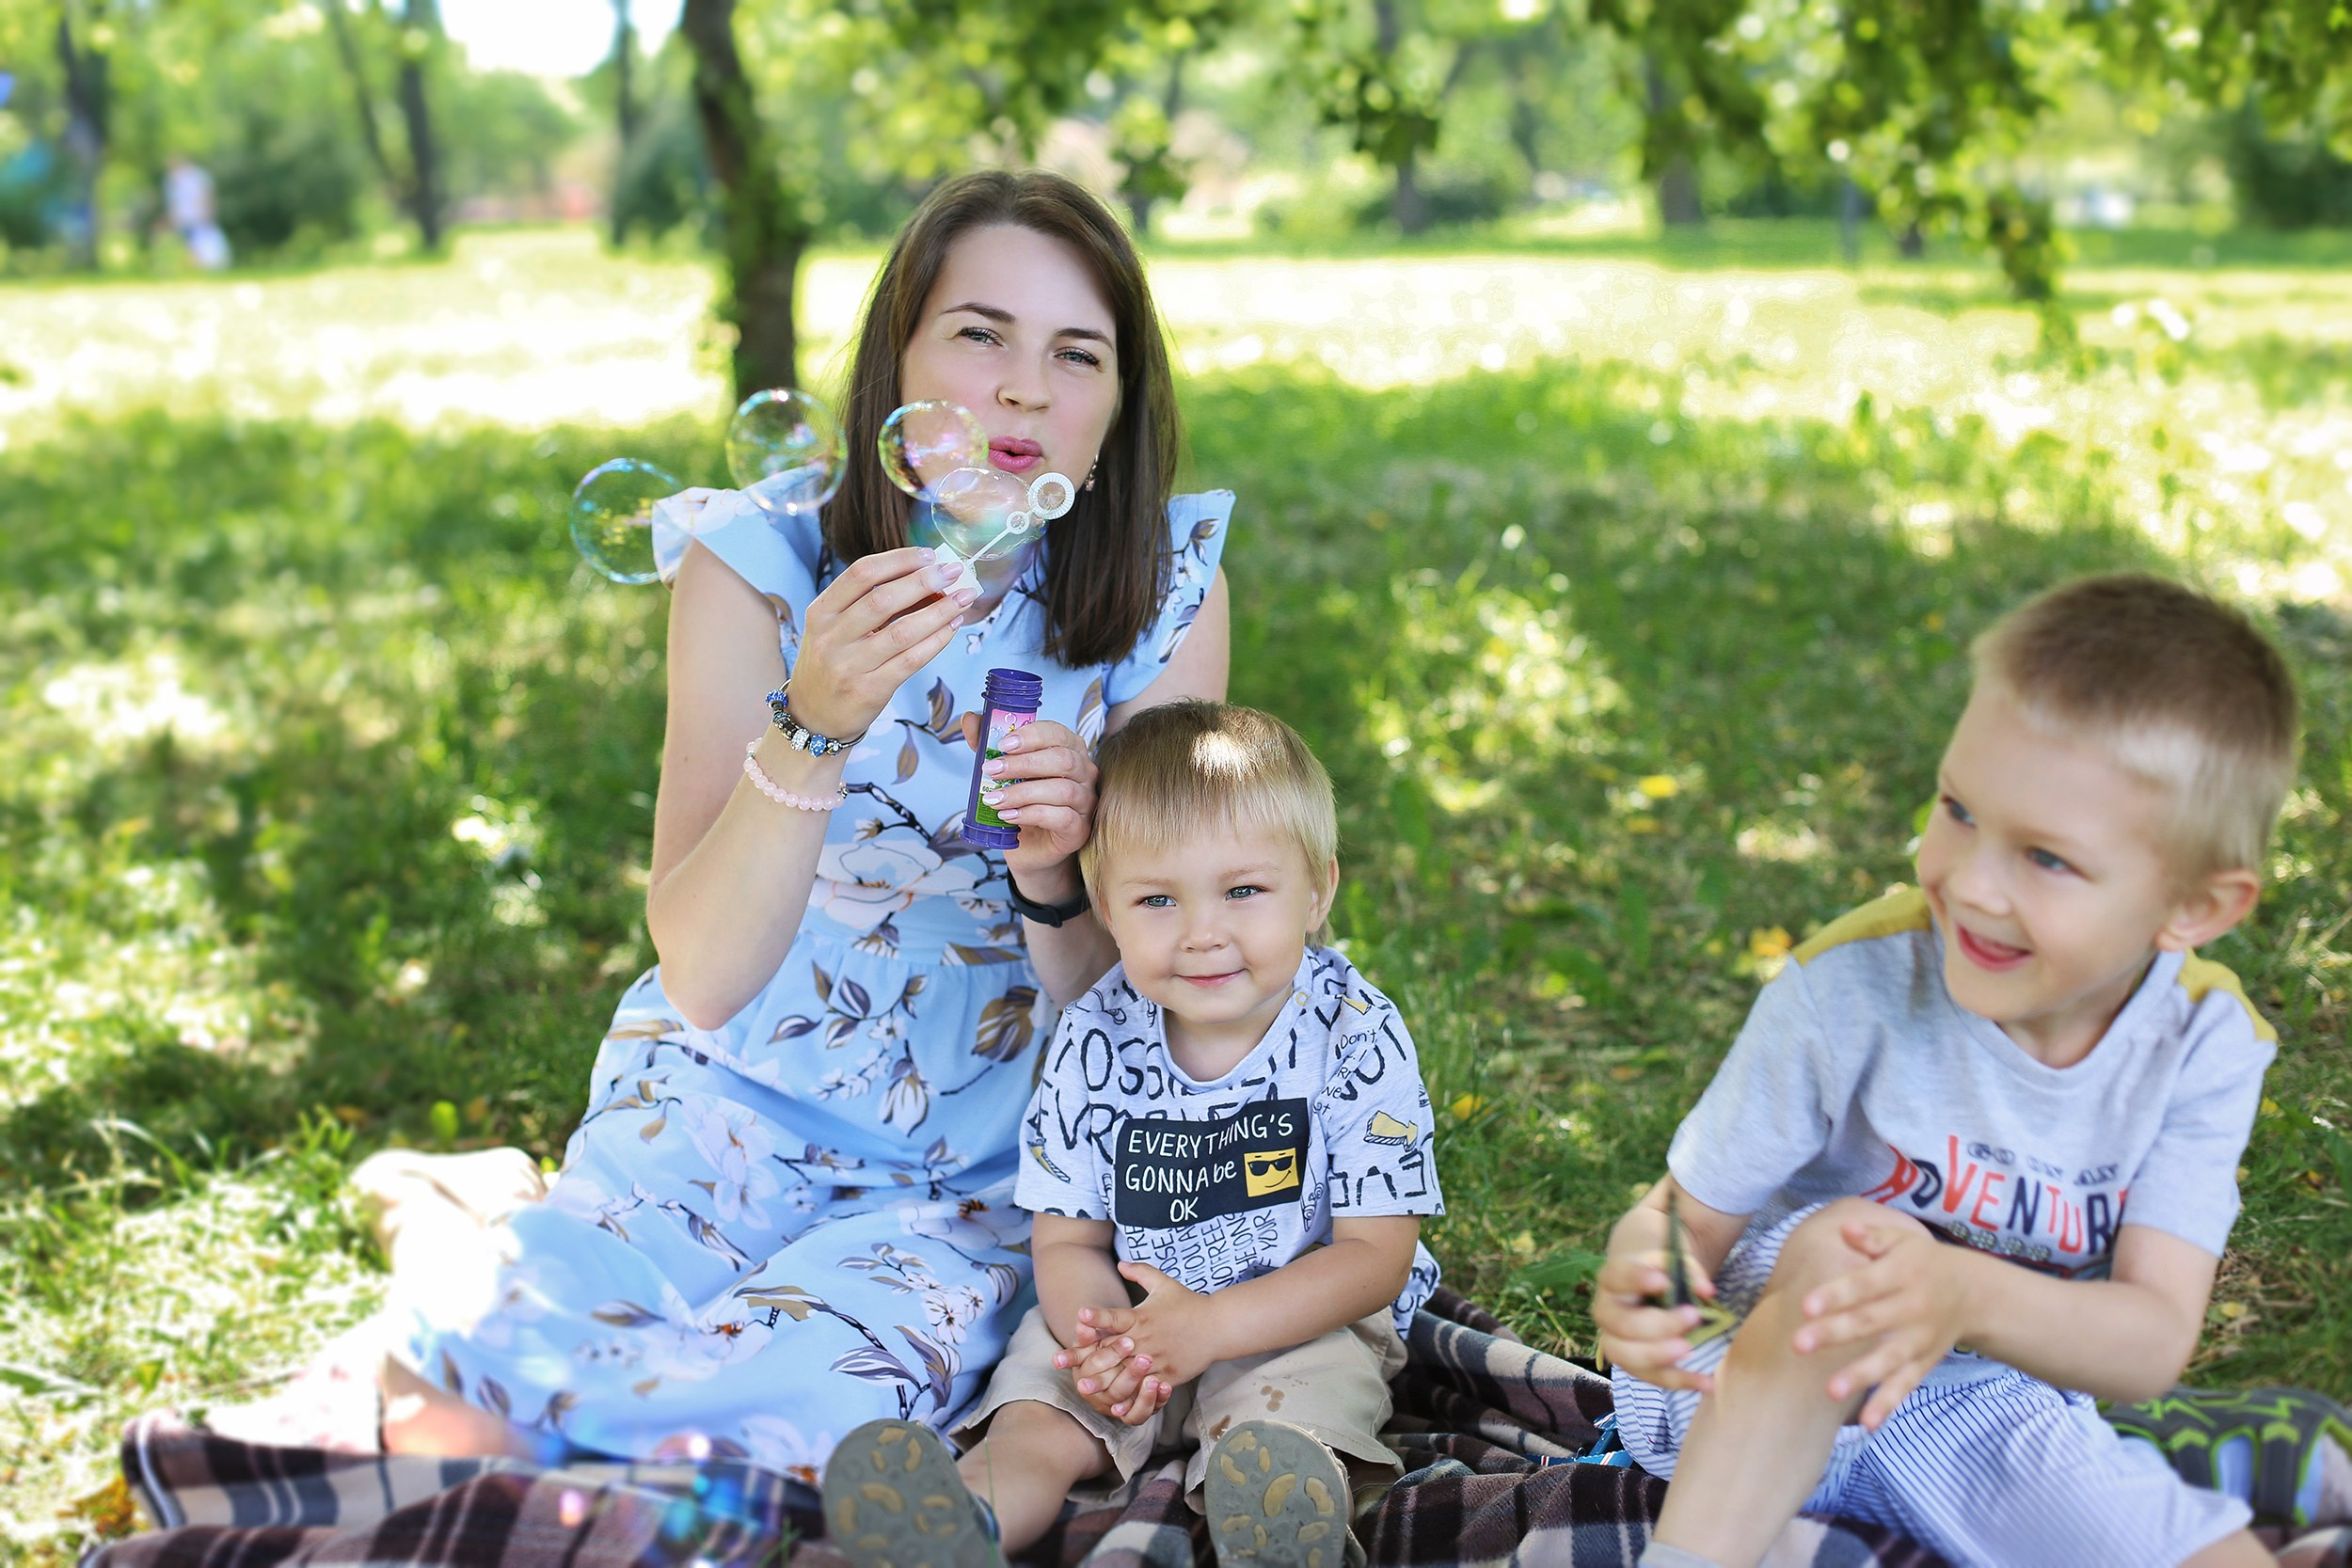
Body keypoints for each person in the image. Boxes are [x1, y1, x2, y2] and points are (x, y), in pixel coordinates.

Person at [376, 169, 1234, 1477]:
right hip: (731, 1087)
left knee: (784, 1422)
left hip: (983, 1153)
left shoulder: (1162, 597)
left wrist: (1060, 874)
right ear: (897, 358)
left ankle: (498, 1222)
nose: (1022, 387)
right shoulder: (759, 561)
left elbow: (1164, 1011)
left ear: (1117, 409)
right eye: (978, 332)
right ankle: (481, 1222)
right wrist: (815, 723)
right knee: (453, 1386)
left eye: (1077, 353)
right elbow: (707, 971)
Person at [1596, 574, 2300, 1568]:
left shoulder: (2201, 1042)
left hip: (1976, 1409)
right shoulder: (1851, 981)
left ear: (2193, 906)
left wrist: (1962, 1296)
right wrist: (1648, 1275)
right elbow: (1683, 1217)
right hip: (1730, 1379)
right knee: (1859, 1241)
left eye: (2046, 858)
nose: (1968, 883)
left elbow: (2147, 1341)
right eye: (1958, 808)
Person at [818, 701, 1442, 1568]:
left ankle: (1279, 1529)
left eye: (1243, 890)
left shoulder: (1353, 1034)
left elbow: (1376, 1255)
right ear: (1107, 908)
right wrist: (1111, 1338)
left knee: (1293, 1423)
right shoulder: (1096, 1034)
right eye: (1158, 898)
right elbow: (1069, 1236)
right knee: (1038, 1419)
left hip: (1298, 1318)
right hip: (1125, 1324)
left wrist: (1214, 1329)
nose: (1203, 932)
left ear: (1319, 890)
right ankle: (950, 1523)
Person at [164, 155, 230, 271]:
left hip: (199, 217)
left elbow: (207, 195)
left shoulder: (198, 176)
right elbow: (173, 202)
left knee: (204, 243)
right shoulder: (171, 180)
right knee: (188, 245)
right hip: (183, 219)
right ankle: (195, 266)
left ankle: (210, 265)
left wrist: (208, 212)